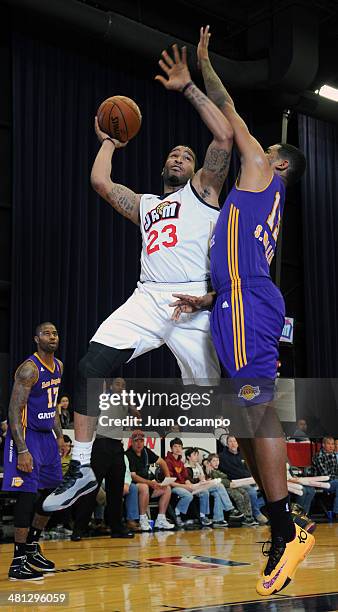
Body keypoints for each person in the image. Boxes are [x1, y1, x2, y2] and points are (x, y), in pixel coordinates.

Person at [43, 42, 233, 513]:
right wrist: (109, 141)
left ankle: (268, 497)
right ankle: (83, 468)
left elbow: (225, 139)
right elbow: (102, 185)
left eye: (186, 155)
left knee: (225, 416)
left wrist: (188, 86)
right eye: (173, 154)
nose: (178, 158)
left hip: (193, 303)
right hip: (147, 299)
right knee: (89, 366)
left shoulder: (205, 193)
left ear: (196, 169)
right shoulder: (147, 205)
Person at [169, 26, 313, 597]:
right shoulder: (255, 197)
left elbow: (229, 116)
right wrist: (208, 298)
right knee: (241, 417)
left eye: (268, 149)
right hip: (233, 299)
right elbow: (236, 259)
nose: (259, 148)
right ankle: (282, 529)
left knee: (256, 408)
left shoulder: (260, 170)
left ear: (277, 166)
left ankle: (288, 529)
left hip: (250, 300)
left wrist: (201, 70)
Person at [2, 322, 66, 581]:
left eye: (55, 333)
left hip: (47, 439)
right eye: (47, 333)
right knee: (27, 496)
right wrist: (22, 449)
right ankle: (17, 562)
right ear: (36, 338)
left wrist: (61, 436)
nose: (52, 336)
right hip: (26, 437)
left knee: (54, 494)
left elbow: (52, 407)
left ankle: (32, 547)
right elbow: (14, 411)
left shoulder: (59, 366)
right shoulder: (29, 369)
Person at [126, 430, 174, 531]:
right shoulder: (128, 454)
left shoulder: (146, 452)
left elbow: (162, 462)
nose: (139, 443)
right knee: (144, 487)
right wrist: (150, 483)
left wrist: (167, 478)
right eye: (136, 441)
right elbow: (133, 476)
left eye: (141, 441)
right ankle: (143, 518)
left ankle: (161, 519)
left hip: (149, 484)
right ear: (132, 442)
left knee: (167, 488)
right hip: (133, 485)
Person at [312, 436, 338, 519]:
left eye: (333, 444)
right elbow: (325, 475)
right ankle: (336, 512)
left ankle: (336, 512)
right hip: (323, 483)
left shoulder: (335, 455)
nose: (331, 446)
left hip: (335, 482)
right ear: (323, 445)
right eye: (329, 444)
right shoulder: (319, 456)